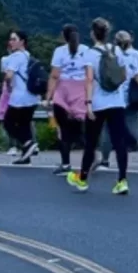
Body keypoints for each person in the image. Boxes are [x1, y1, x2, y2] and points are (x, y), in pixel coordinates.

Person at [68, 18, 130, 195]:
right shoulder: (117, 50)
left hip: (97, 104)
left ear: (93, 34)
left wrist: (87, 104)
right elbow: (124, 75)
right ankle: (122, 181)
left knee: (91, 143)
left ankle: (83, 180)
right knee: (119, 143)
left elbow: (88, 80)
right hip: (117, 102)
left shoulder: (89, 54)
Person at [99, 31, 138, 170]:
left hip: (113, 98)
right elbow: (137, 79)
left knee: (107, 130)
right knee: (135, 129)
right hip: (129, 99)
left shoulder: (110, 55)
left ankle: (105, 161)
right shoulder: (134, 56)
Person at [46, 24, 89, 176]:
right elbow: (89, 74)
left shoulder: (59, 51)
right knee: (80, 130)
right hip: (81, 91)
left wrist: (48, 96)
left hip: (63, 91)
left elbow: (54, 75)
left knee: (63, 131)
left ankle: (65, 164)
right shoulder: (86, 50)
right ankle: (90, 159)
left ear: (64, 36)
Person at [3, 30, 40, 164]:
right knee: (24, 125)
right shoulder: (27, 55)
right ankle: (26, 156)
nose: (10, 42)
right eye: (10, 39)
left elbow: (9, 75)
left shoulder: (15, 56)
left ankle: (27, 143)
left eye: (14, 39)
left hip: (19, 97)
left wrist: (8, 84)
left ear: (22, 41)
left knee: (8, 123)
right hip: (32, 97)